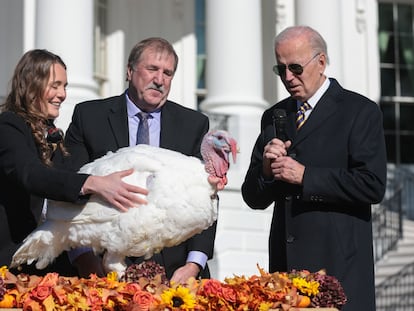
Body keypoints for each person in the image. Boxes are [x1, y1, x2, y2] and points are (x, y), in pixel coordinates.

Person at [241, 25, 386, 311]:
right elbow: (252, 197)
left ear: (321, 62)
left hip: (339, 269)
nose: (288, 78)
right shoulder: (274, 115)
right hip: (286, 274)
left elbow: (372, 184)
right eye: (280, 69)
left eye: (295, 67)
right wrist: (267, 171)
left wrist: (306, 177)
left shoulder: (359, 111)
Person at [58, 37, 216, 284]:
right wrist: (83, 257)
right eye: (152, 69)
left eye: (168, 73)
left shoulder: (193, 125)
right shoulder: (89, 117)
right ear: (130, 71)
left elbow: (206, 198)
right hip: (101, 265)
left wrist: (194, 264)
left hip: (172, 270)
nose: (160, 80)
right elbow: (68, 184)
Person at [0, 49, 147, 276]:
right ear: (31, 85)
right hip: (9, 264)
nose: (62, 94)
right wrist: (92, 183)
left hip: (48, 268)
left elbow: (66, 197)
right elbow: (30, 174)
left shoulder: (53, 136)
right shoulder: (9, 126)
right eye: (55, 85)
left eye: (65, 86)